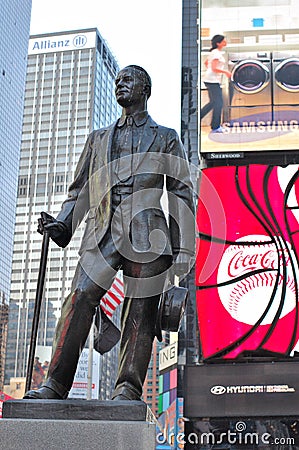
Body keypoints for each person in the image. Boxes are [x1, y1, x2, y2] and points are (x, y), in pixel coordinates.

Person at [23, 65, 195, 401]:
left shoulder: (166, 137)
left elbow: (181, 193)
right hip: (102, 231)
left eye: (127, 80)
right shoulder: (98, 139)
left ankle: (128, 387)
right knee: (79, 298)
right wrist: (62, 224)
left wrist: (183, 250)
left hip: (148, 234)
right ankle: (55, 384)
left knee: (141, 310)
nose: (120, 85)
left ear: (144, 88)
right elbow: (80, 192)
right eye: (117, 81)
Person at [200, 34, 231, 133]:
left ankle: (197, 118)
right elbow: (213, 68)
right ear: (218, 43)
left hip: (210, 79)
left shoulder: (213, 52)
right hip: (212, 80)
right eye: (223, 41)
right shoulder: (216, 53)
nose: (225, 42)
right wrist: (226, 72)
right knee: (218, 103)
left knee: (213, 102)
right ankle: (216, 126)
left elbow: (206, 63)